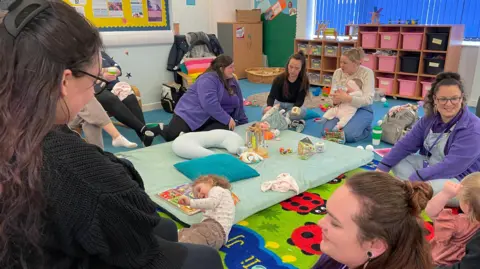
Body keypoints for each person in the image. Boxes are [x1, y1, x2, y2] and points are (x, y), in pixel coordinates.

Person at [0, 1, 223, 268]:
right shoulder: (76, 173)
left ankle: (129, 132)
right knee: (205, 258)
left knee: (165, 228)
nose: (94, 93)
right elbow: (130, 204)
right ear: (64, 81)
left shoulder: (20, 123)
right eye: (94, 83)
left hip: (36, 243)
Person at [377, 72, 480, 205]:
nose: (449, 104)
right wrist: (382, 168)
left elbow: (452, 166)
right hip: (432, 166)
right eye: (443, 99)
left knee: (429, 189)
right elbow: (405, 144)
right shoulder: (429, 119)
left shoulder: (474, 129)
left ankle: (412, 191)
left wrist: (417, 177)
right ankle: (414, 191)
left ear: (462, 99)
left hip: (460, 180)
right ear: (435, 100)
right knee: (398, 161)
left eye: (454, 98)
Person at [312, 171, 433, 269]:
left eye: (335, 223)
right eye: (327, 213)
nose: (320, 223)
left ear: (375, 245)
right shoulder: (341, 256)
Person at [161, 55, 248, 142]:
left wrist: (244, 122)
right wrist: (227, 118)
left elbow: (239, 101)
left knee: (226, 127)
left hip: (212, 117)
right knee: (172, 138)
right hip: (190, 113)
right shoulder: (208, 79)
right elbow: (209, 104)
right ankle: (160, 128)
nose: (234, 70)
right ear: (221, 69)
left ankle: (192, 136)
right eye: (231, 67)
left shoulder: (232, 80)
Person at [95, 50, 162, 146]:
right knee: (110, 99)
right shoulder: (79, 57)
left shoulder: (102, 54)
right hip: (96, 89)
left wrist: (103, 71)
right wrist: (105, 73)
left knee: (130, 98)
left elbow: (118, 70)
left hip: (114, 86)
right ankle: (144, 130)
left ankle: (144, 137)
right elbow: (87, 75)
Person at [425, 173, 480, 266]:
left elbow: (431, 211)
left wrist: (445, 194)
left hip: (438, 260)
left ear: (467, 206)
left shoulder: (459, 223)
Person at [322, 47, 374, 142]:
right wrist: (334, 101)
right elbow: (331, 96)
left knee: (348, 135)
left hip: (362, 109)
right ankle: (343, 133)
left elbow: (368, 100)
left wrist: (348, 98)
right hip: (342, 108)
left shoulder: (367, 73)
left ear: (355, 64)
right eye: (341, 62)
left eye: (345, 63)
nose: (341, 65)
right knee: (326, 131)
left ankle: (365, 128)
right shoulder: (338, 73)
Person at [178, 175, 235, 250]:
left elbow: (211, 202)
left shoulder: (217, 189)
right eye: (197, 198)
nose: (199, 195)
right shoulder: (218, 198)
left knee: (195, 235)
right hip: (214, 235)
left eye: (199, 189)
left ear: (210, 181)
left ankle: (178, 248)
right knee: (187, 232)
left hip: (215, 229)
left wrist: (190, 202)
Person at [264, 51, 309, 133]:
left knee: (303, 111)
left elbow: (300, 101)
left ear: (301, 69)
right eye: (290, 67)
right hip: (278, 104)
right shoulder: (279, 79)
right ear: (287, 65)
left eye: (296, 68)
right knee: (264, 109)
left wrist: (293, 110)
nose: (292, 71)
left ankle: (281, 119)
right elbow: (271, 96)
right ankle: (289, 121)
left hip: (293, 106)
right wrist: (269, 106)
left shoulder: (303, 81)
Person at [69, 98, 137, 149]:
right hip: (61, 120)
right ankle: (116, 137)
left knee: (89, 117)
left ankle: (98, 156)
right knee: (87, 102)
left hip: (69, 115)